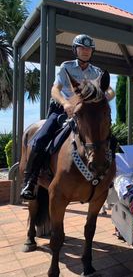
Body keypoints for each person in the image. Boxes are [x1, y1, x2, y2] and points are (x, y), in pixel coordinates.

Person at [20, 34, 116, 200]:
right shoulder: (66, 67)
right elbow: (55, 89)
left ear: (92, 52)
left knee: (111, 140)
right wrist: (65, 104)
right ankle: (30, 181)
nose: (85, 51)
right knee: (41, 139)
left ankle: (108, 177)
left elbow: (110, 91)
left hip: (86, 112)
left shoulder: (97, 72)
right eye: (82, 48)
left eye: (89, 49)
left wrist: (102, 99)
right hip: (61, 110)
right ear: (75, 50)